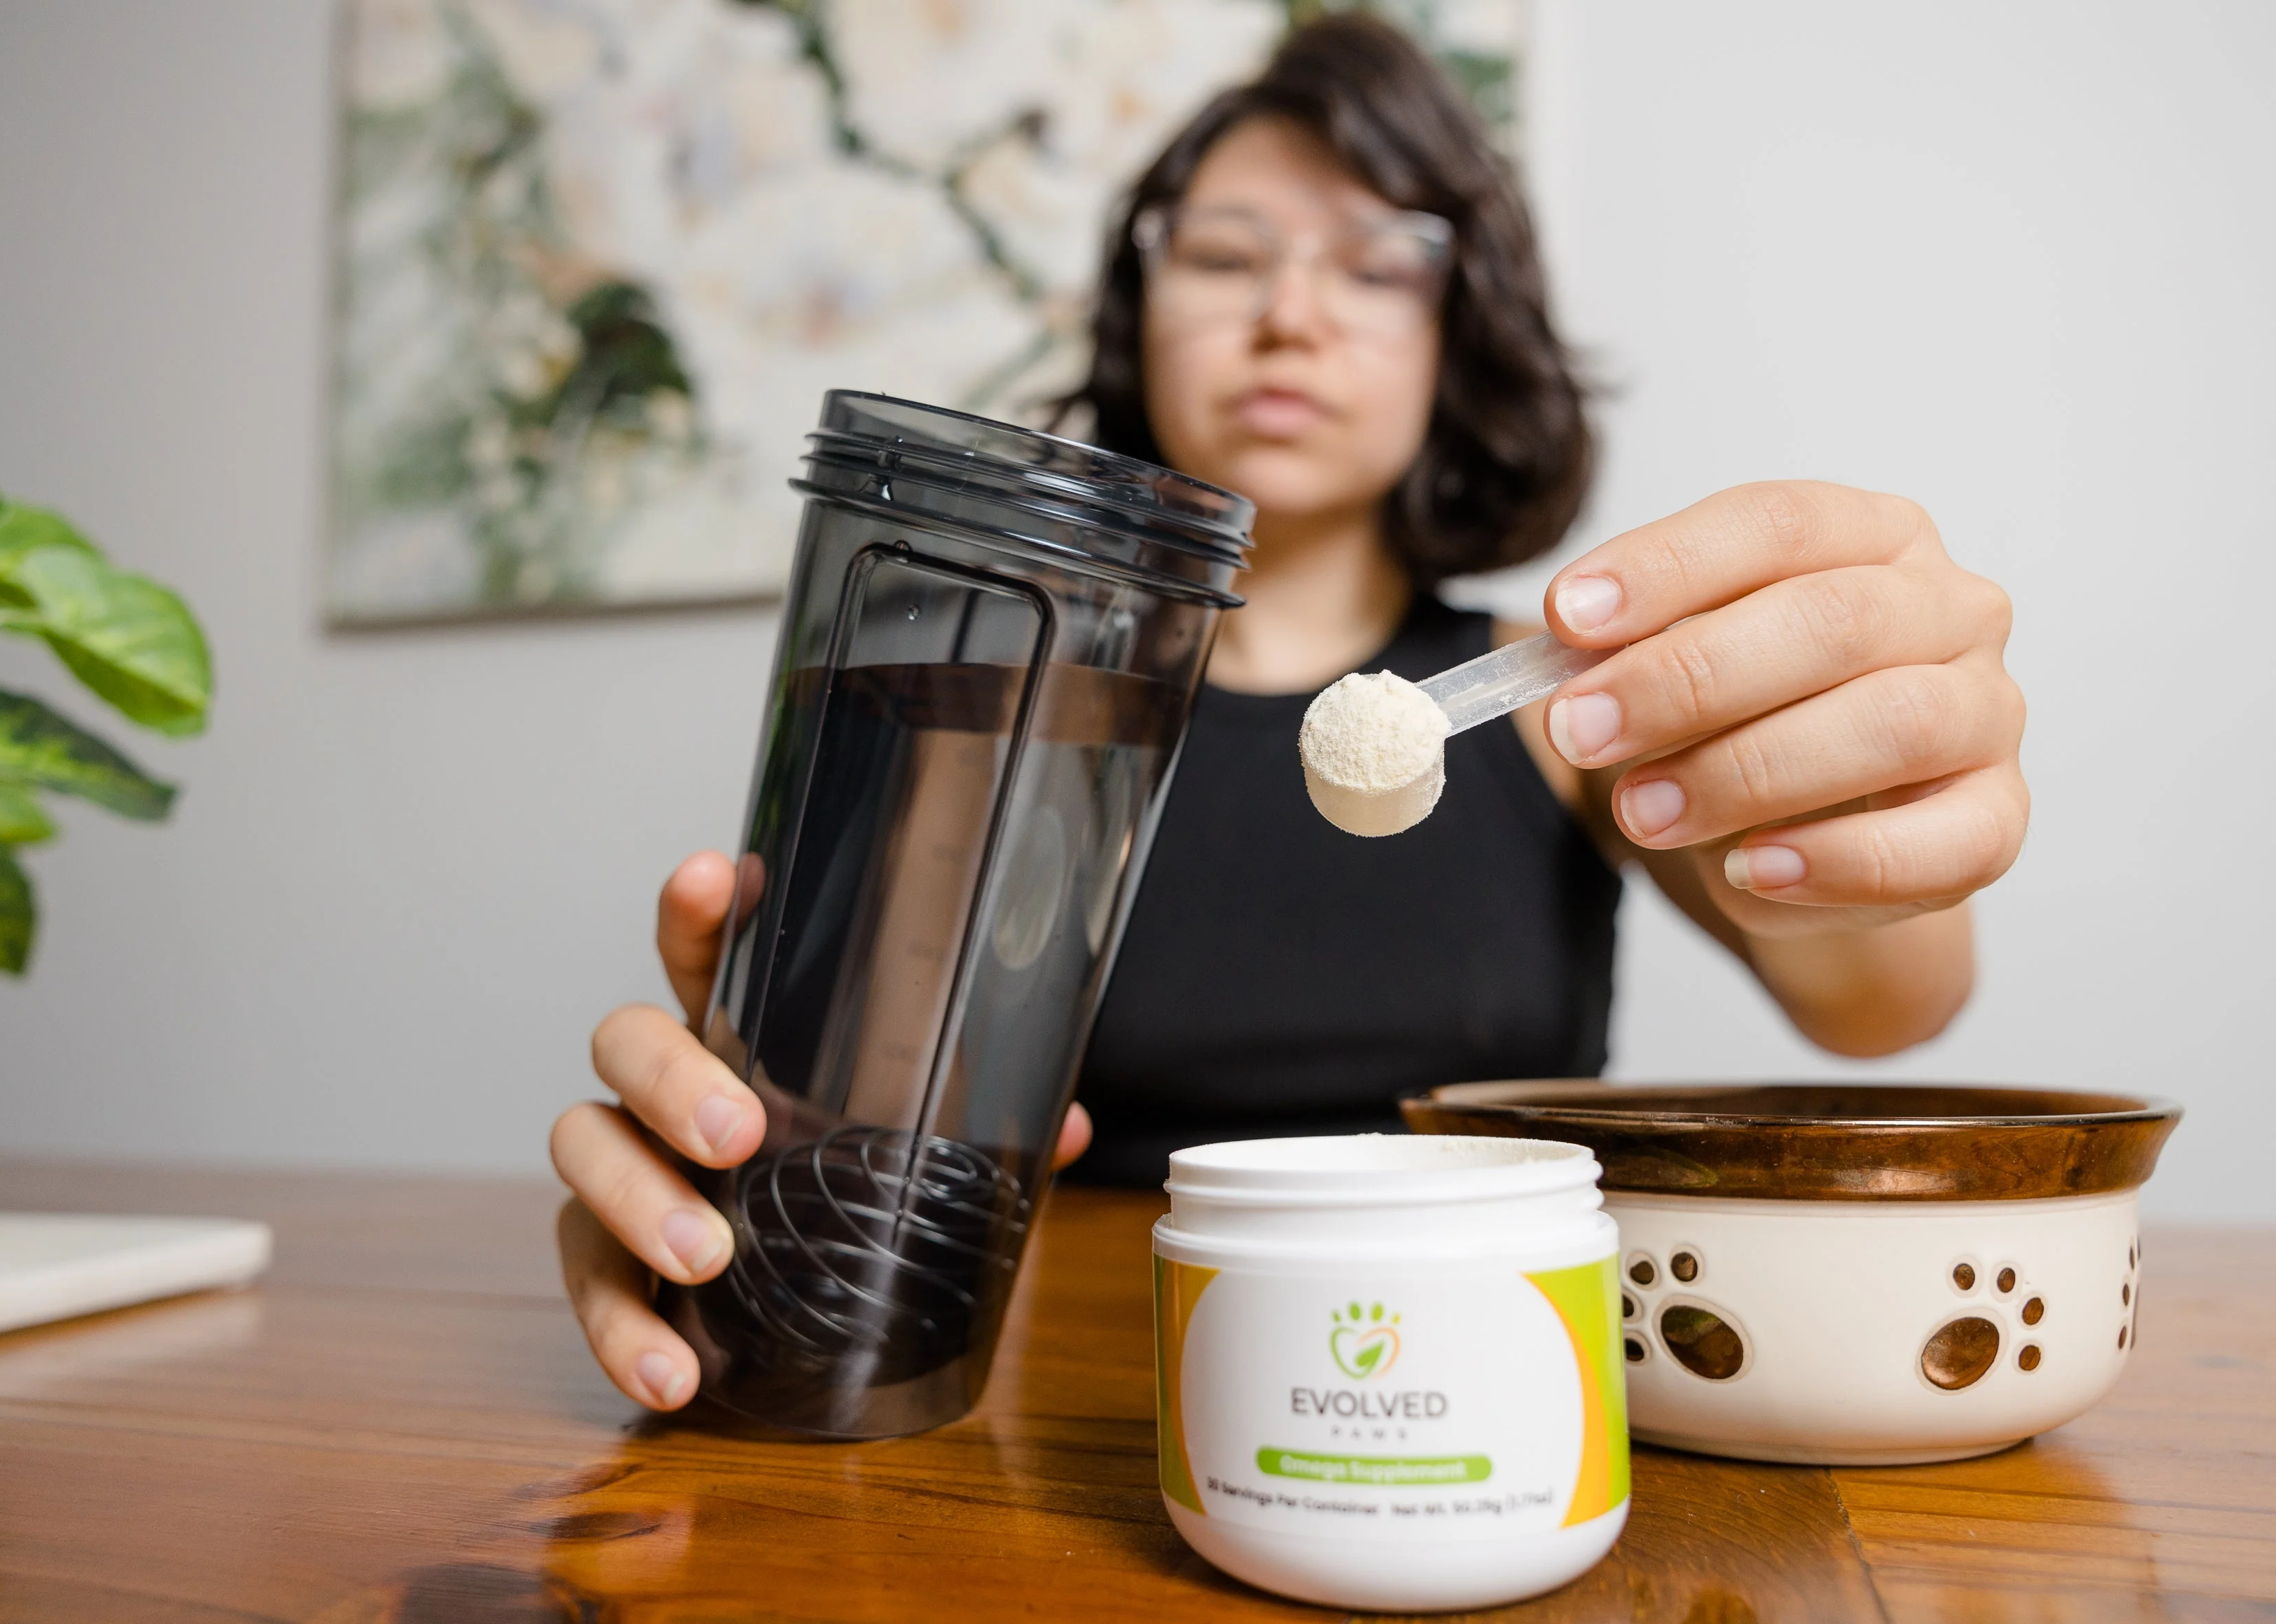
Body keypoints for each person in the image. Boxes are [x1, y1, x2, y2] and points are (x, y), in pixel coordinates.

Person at [551, 17, 2027, 1411]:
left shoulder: (1573, 703)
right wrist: (735, 1174)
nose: (1290, 315)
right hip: (1089, 1408)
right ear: (1141, 311)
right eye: (1224, 255)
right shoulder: (984, 718)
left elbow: (1886, 1004)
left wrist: (1878, 791)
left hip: (1501, 1381)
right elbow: (849, 1155)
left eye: (1377, 265)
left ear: (1458, 334)